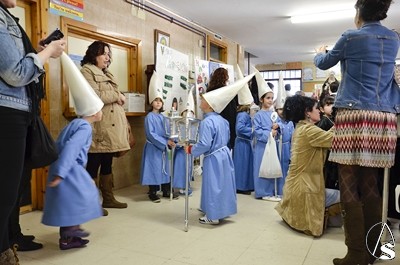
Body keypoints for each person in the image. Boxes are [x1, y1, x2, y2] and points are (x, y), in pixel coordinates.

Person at [314, 0, 400, 264]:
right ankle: (373, 251)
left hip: (353, 115)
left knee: (348, 182)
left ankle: (355, 253)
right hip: (383, 117)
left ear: (360, 11)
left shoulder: (351, 37)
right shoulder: (393, 38)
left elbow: (323, 63)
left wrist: (319, 51)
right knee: (371, 183)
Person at [0, 0, 65, 262]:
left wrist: (37, 52)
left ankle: (8, 244)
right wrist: (47, 52)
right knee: (5, 191)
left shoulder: (8, 17)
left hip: (17, 112)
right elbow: (15, 74)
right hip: (8, 113)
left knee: (10, 189)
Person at [42, 52, 104, 250]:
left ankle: (68, 238)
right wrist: (61, 172)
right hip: (69, 169)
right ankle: (72, 231)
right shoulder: (85, 127)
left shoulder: (75, 123)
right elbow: (71, 148)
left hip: (62, 166)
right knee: (84, 195)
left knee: (65, 203)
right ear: (94, 112)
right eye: (100, 108)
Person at [183, 75, 253, 225]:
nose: (200, 102)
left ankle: (213, 216)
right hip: (224, 154)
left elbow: (204, 144)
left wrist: (190, 149)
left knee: (212, 184)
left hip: (213, 157)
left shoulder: (207, 122)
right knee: (223, 184)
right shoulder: (223, 121)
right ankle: (221, 209)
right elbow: (227, 137)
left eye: (202, 100)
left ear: (209, 105)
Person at [275, 95, 340, 237]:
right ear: (307, 112)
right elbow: (335, 139)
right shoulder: (309, 131)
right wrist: (343, 119)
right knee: (346, 197)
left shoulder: (301, 128)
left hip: (296, 186)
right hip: (305, 187)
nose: (320, 111)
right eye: (317, 108)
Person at [80, 41, 130, 213]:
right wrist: (118, 95)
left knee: (107, 163)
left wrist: (117, 97)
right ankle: (89, 204)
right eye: (104, 54)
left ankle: (108, 199)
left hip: (110, 126)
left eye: (109, 54)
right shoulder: (86, 71)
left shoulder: (106, 73)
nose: (108, 58)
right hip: (98, 126)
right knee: (93, 163)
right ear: (94, 54)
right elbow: (95, 95)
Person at [141, 70, 178, 203]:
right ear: (151, 102)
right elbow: (151, 134)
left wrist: (173, 140)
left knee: (166, 168)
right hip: (154, 147)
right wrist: (165, 142)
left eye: (160, 101)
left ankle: (166, 189)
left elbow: (168, 131)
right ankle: (153, 191)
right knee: (154, 168)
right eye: (155, 101)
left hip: (165, 147)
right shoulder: (149, 117)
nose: (158, 103)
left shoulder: (163, 117)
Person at [252, 70, 280, 201]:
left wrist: (277, 128)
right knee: (262, 167)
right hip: (263, 146)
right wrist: (269, 133)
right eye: (268, 98)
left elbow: (281, 126)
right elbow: (257, 131)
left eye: (271, 98)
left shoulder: (274, 114)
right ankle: (262, 191)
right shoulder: (258, 115)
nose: (270, 100)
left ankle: (271, 190)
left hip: (273, 144)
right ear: (262, 99)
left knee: (272, 166)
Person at [233, 66, 254, 195]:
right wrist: (251, 129)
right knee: (242, 165)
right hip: (242, 143)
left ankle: (245, 185)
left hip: (245, 142)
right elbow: (239, 128)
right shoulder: (243, 115)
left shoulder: (245, 114)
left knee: (245, 165)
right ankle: (241, 186)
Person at [207, 67, 238, 150]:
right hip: (227, 124)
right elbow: (232, 112)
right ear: (225, 78)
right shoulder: (228, 92)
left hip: (214, 124)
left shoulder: (210, 91)